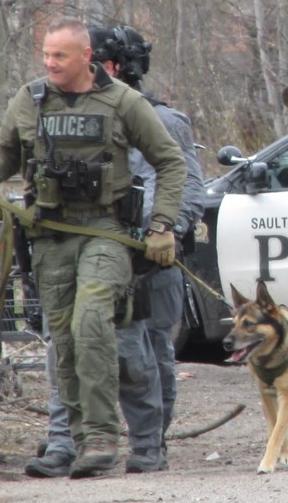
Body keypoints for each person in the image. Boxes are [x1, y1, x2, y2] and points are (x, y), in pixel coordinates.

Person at [0, 17, 186, 479]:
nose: (50, 63)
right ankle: (79, 441)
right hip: (50, 237)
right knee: (63, 340)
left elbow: (170, 161)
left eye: (59, 55)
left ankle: (105, 437)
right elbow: (4, 152)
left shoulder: (124, 101)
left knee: (92, 319)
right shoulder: (30, 100)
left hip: (105, 232)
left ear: (86, 56)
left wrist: (163, 225)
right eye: (46, 54)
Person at [24, 25, 204, 476]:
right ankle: (66, 440)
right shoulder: (56, 110)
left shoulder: (161, 120)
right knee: (66, 347)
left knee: (147, 355)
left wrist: (165, 231)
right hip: (87, 248)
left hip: (149, 257)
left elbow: (186, 184)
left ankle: (148, 443)